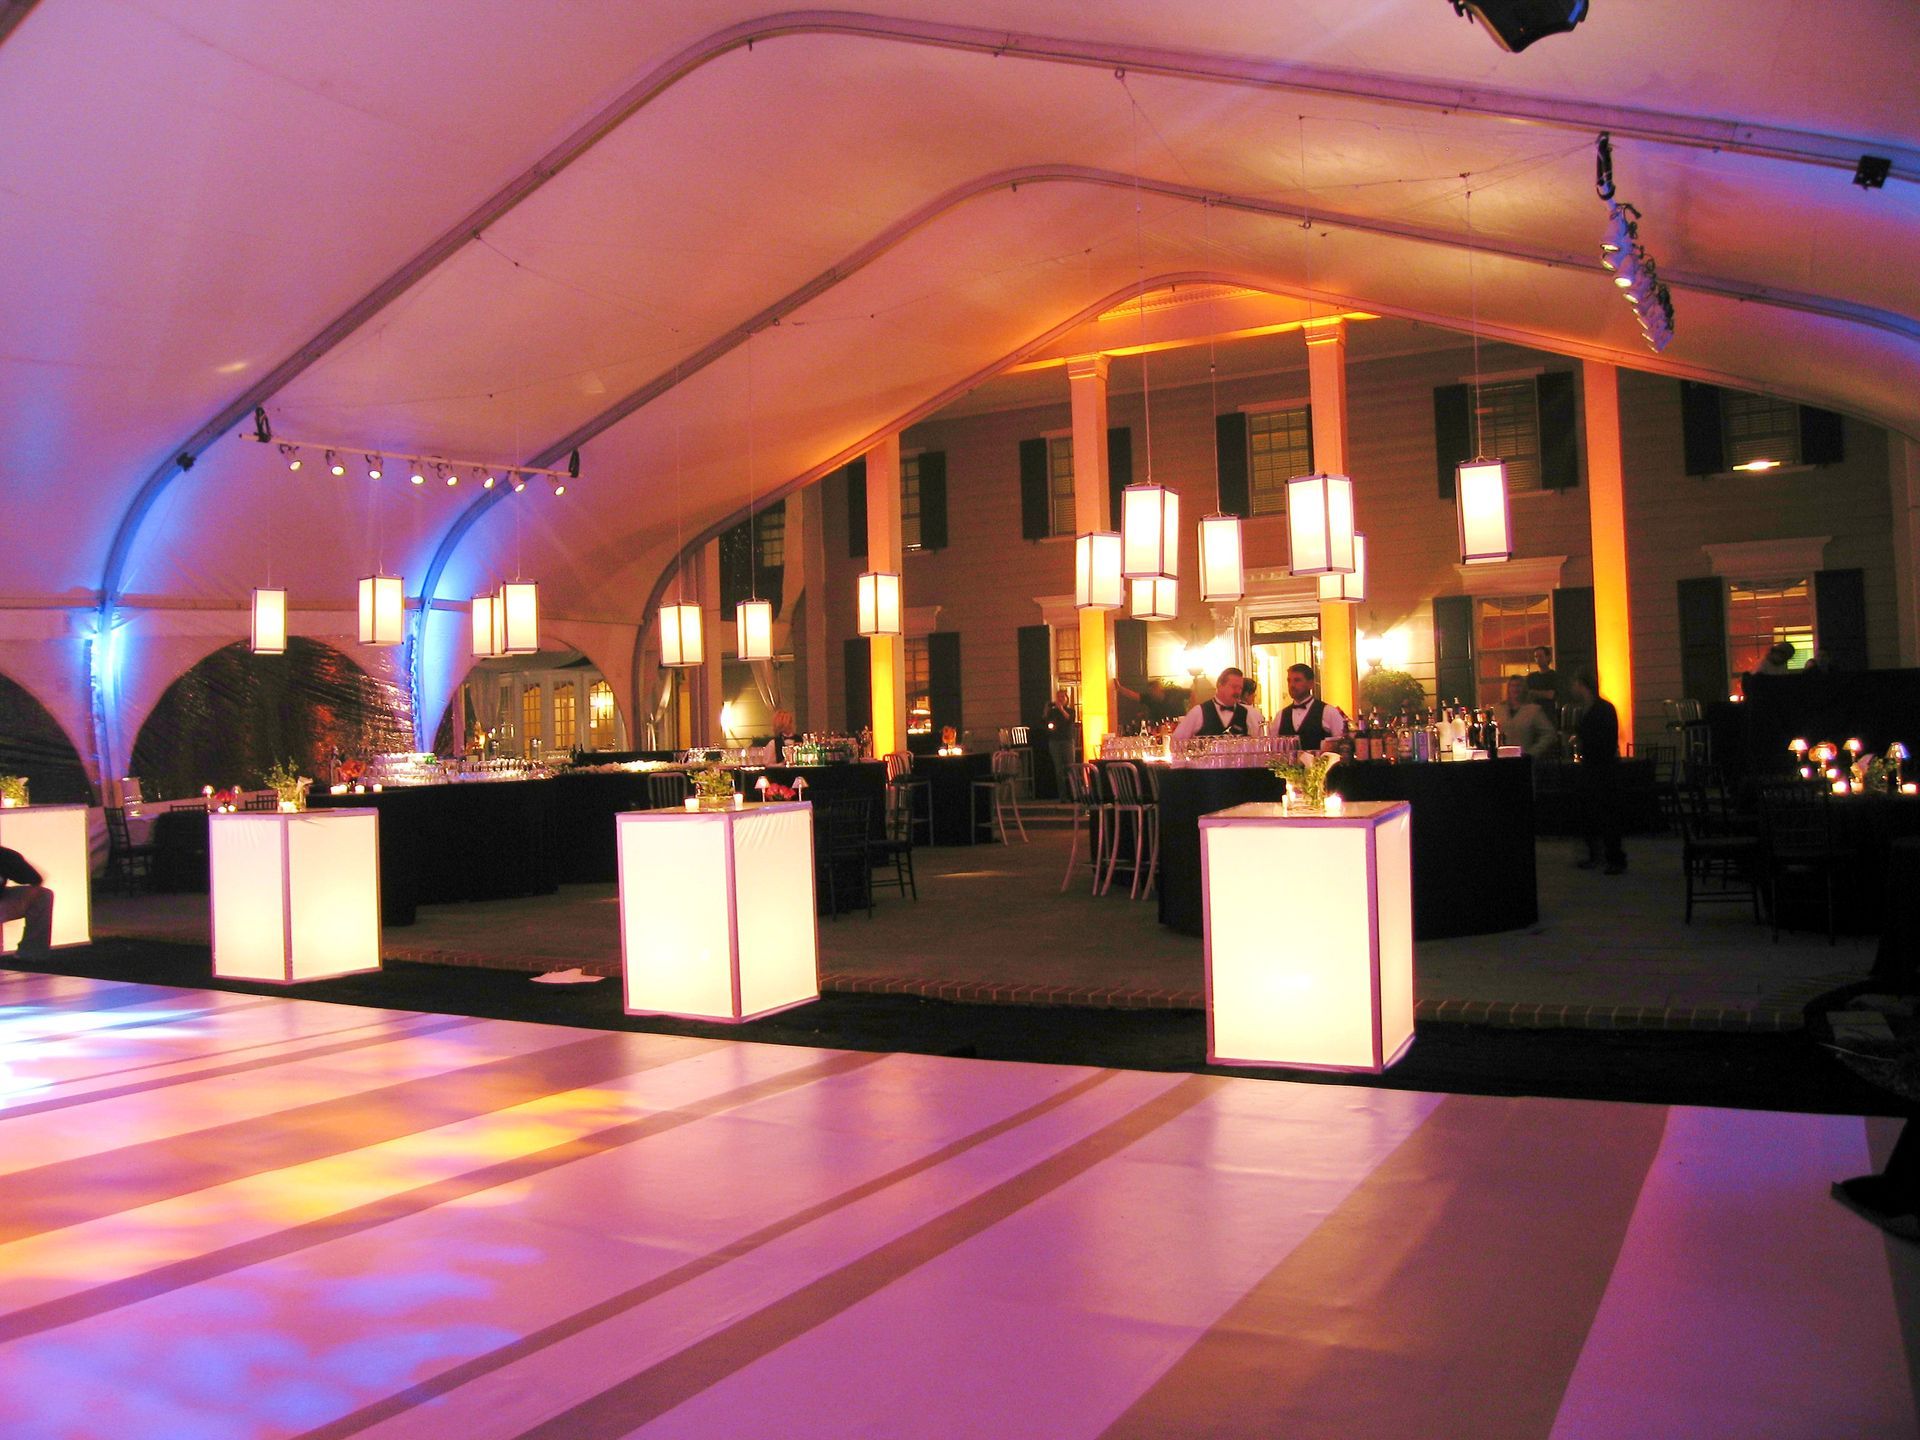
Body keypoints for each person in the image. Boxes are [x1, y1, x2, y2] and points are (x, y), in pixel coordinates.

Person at [1569, 666, 1626, 875]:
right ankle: (1599, 855)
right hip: (1594, 766)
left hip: (1601, 767)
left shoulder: (1601, 709)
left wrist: (1583, 742)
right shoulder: (1593, 708)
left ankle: (1613, 858)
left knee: (1607, 813)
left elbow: (1606, 740)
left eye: (1575, 684)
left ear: (1582, 686)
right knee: (1592, 812)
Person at [1270, 663, 1347, 753]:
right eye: (1289, 681)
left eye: (1297, 680)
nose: (1292, 685)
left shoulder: (1328, 711)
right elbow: (1274, 749)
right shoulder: (1280, 715)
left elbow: (1343, 745)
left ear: (1310, 684)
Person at [1172, 666, 1264, 740]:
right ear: (1219, 685)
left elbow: (1259, 743)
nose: (1237, 692)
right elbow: (1176, 742)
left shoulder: (1248, 713)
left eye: (1240, 688)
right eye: (1233, 687)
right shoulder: (1199, 712)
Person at [0, 846, 53, 957]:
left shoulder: (5, 855)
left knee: (43, 895)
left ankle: (31, 953)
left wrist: (25, 902)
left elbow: (35, 880)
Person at [1493, 673, 1558, 761]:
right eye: (1512, 686)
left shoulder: (1533, 710)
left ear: (1524, 689)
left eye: (1518, 686)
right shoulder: (1498, 709)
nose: (1515, 689)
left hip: (1523, 760)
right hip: (1501, 759)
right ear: (1508, 689)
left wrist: (1532, 752)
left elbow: (1549, 734)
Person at [1040, 688, 1077, 799]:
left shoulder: (1070, 711)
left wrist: (1061, 709)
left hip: (1067, 741)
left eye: (1062, 697)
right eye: (1058, 697)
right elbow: (1044, 721)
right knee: (1058, 769)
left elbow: (1069, 719)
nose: (1060, 699)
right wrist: (1046, 711)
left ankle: (1074, 794)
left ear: (1067, 699)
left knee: (1070, 767)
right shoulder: (1053, 712)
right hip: (1055, 741)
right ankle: (1063, 796)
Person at [1523, 646, 1561, 712]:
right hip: (1533, 712)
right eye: (1536, 657)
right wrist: (1543, 694)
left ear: (1548, 657)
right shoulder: (1531, 677)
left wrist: (1534, 693)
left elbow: (1551, 695)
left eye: (1540, 656)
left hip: (1548, 712)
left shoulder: (1554, 676)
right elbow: (1526, 695)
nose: (1538, 659)